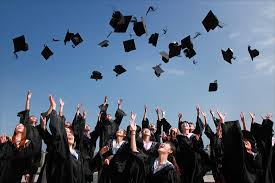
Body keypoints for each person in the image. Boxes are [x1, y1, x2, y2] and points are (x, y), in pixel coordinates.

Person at [37, 96, 106, 183]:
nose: (69, 134)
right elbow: (57, 132)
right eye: (66, 132)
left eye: (71, 132)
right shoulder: (59, 150)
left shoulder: (78, 154)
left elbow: (88, 169)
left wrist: (100, 154)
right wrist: (54, 109)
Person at [130, 111, 179, 183]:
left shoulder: (170, 169)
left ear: (170, 151)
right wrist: (133, 132)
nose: (162, 144)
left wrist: (161, 115)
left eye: (165, 144)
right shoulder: (150, 160)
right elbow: (135, 151)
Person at [17, 90, 42, 183]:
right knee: (25, 176)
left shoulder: (39, 128)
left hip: (36, 154)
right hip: (27, 152)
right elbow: (27, 111)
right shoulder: (27, 126)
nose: (33, 117)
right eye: (31, 117)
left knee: (32, 177)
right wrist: (28, 99)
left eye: (35, 117)